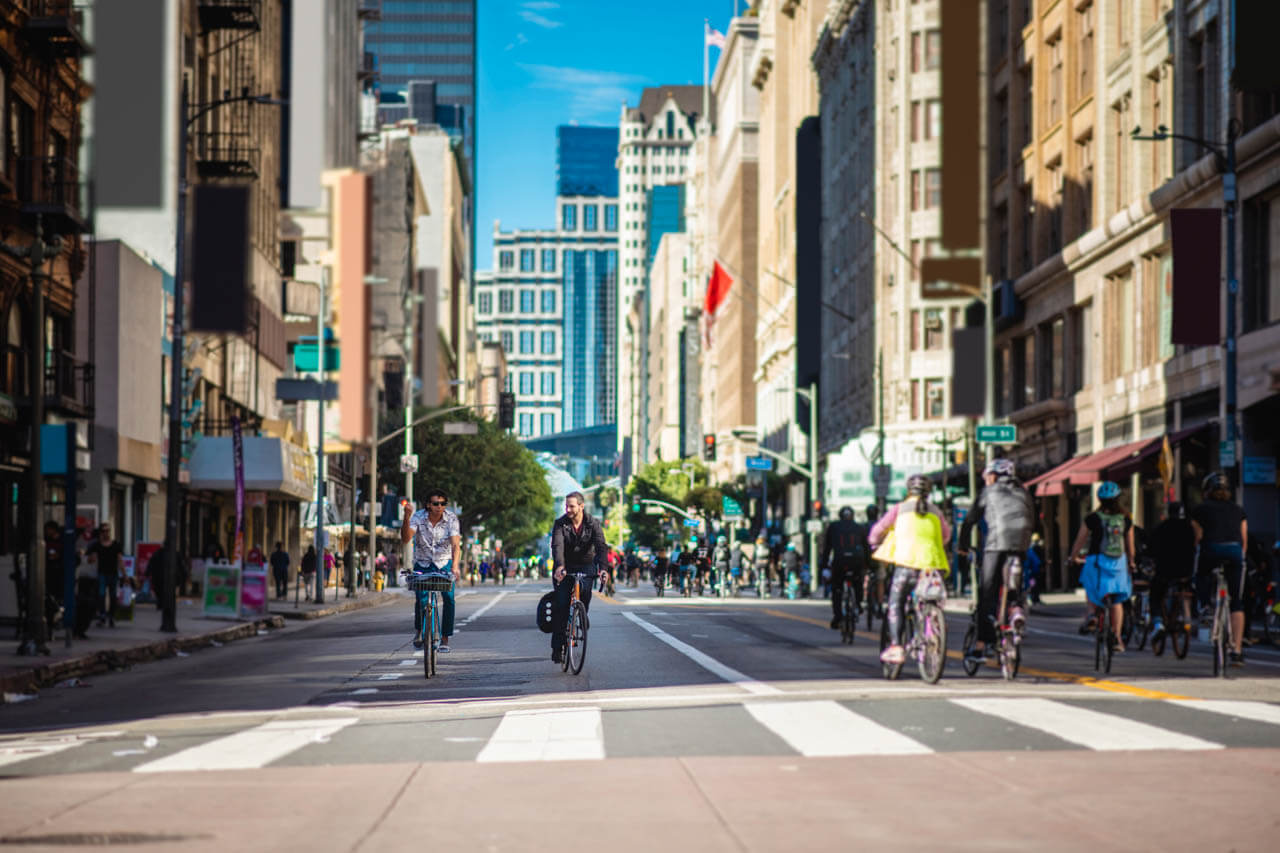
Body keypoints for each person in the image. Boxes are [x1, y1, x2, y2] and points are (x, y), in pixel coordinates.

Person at [957, 458, 1036, 663]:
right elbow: (1032, 519)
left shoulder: (988, 492)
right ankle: (1016, 609)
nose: (985, 480)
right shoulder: (1024, 491)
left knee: (987, 592)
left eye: (986, 476)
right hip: (1021, 542)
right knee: (1014, 584)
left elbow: (969, 521)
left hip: (996, 542)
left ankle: (983, 644)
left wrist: (962, 546)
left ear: (993, 475)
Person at [868, 474, 952, 665]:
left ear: (908, 491)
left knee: (895, 604)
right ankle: (931, 630)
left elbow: (876, 532)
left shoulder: (899, 509)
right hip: (932, 566)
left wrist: (874, 543)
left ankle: (897, 647)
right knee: (931, 601)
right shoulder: (936, 512)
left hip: (906, 565)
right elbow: (946, 537)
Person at [1068, 481, 1135, 653]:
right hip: (1118, 563)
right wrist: (1131, 562)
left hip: (1096, 561)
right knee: (1117, 601)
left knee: (1091, 588)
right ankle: (1118, 638)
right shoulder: (1126, 520)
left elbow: (1080, 540)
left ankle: (1091, 615)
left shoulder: (1092, 519)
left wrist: (1073, 557)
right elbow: (1130, 547)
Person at [1191, 471, 1249, 666]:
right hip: (1234, 552)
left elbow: (1197, 538)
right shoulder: (1238, 510)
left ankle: (1205, 606)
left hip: (1211, 550)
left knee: (1201, 574)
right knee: (1237, 601)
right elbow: (1244, 540)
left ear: (1207, 491)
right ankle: (1237, 651)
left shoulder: (1200, 510)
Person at [550, 491, 609, 663]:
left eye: (572, 506)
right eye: (566, 506)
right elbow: (557, 546)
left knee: (585, 594)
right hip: (565, 567)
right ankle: (557, 647)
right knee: (561, 606)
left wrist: (603, 569)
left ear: (581, 506)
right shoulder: (560, 524)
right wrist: (560, 566)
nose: (568, 509)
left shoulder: (593, 524)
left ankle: (582, 615)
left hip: (586, 565)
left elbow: (601, 547)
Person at [402, 488, 462, 652]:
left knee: (449, 598)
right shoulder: (418, 517)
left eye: (443, 504)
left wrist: (455, 567)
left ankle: (444, 638)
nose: (439, 507)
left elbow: (456, 545)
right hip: (422, 562)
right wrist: (406, 516)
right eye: (436, 503)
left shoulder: (451, 519)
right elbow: (406, 538)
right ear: (428, 505)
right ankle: (420, 631)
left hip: (444, 563)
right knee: (421, 599)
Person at [1148, 501, 1196, 643]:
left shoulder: (1161, 528)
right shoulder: (1190, 528)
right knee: (1187, 589)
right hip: (1186, 572)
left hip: (1165, 571)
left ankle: (1158, 622)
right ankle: (1186, 614)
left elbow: (1151, 549)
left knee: (1155, 594)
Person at [822, 506, 869, 630]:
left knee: (837, 588)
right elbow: (867, 549)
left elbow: (827, 548)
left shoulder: (833, 527)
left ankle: (837, 616)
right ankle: (858, 604)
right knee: (857, 582)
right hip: (856, 561)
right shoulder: (860, 528)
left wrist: (824, 566)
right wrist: (869, 565)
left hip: (839, 561)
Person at [86, 523, 124, 627]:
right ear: (100, 533)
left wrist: (125, 575)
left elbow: (120, 560)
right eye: (104, 531)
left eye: (108, 531)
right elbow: (90, 559)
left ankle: (111, 616)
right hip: (102, 573)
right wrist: (91, 557)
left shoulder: (116, 545)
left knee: (113, 596)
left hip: (113, 574)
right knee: (101, 595)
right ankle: (103, 615)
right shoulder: (97, 545)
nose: (106, 533)